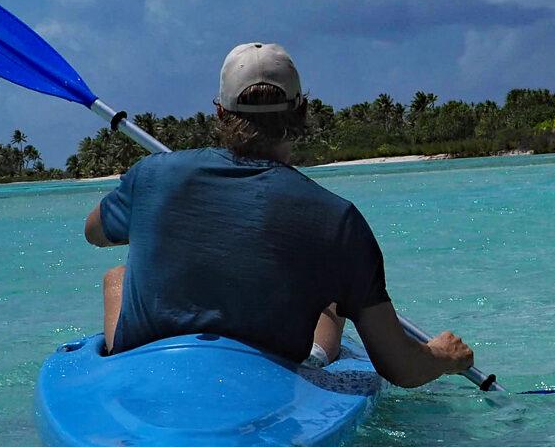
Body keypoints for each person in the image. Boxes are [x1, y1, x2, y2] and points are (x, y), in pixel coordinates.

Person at [82, 41, 475, 388]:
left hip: (146, 370)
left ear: (220, 113)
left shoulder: (152, 174)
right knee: (334, 304)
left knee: (118, 277)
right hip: (264, 381)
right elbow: (401, 368)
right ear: (301, 111)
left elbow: (95, 233)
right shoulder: (338, 220)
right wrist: (442, 356)